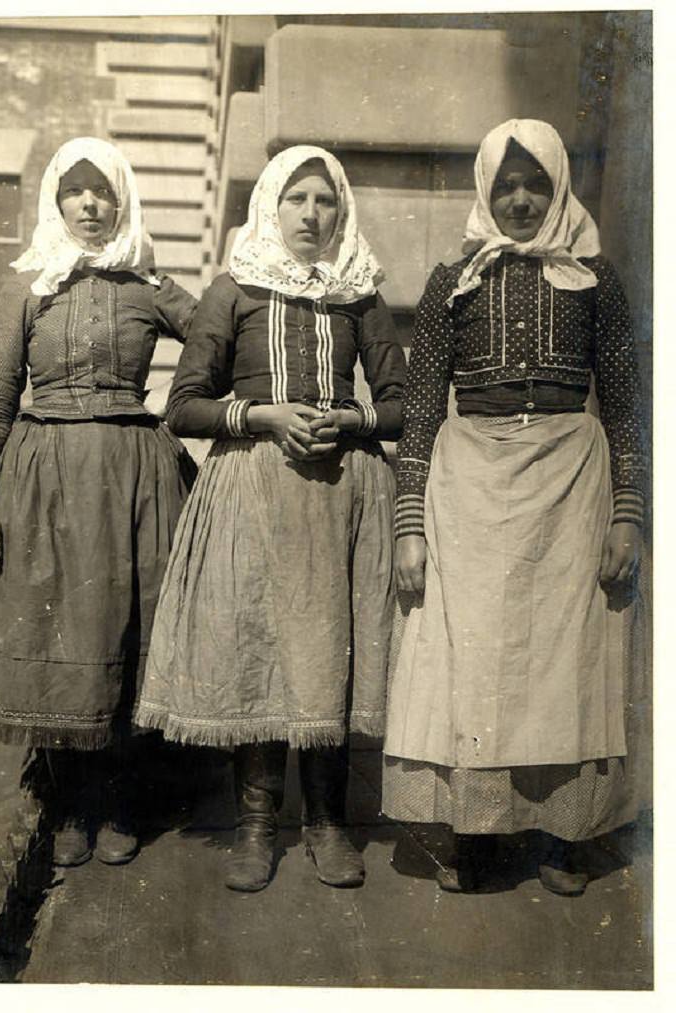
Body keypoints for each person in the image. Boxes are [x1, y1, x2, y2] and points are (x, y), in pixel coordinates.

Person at [383, 119, 647, 896]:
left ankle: (567, 834)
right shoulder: (451, 282)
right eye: (507, 185)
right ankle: (476, 832)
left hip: (572, 482)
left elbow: (629, 405)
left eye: (536, 183)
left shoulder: (597, 278)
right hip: (470, 485)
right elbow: (424, 407)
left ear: (559, 185)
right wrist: (409, 525)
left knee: (568, 660)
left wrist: (627, 510)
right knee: (477, 659)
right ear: (486, 191)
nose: (523, 199)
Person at [135, 145, 406, 892]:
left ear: (340, 210)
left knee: (328, 652)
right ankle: (256, 825)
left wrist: (348, 419)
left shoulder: (360, 294)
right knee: (257, 647)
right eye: (297, 200)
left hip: (340, 494)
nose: (311, 216)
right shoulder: (234, 289)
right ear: (271, 208)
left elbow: (403, 405)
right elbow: (182, 403)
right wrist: (264, 414)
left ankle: (326, 822)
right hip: (251, 487)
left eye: (324, 202)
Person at [0, 137, 198, 868]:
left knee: (128, 629)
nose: (90, 205)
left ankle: (122, 800)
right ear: (57, 200)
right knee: (57, 629)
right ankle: (70, 802)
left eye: (103, 192)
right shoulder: (26, 287)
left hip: (134, 474)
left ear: (123, 198)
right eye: (76, 192)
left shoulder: (146, 285)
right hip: (45, 480)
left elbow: (218, 340)